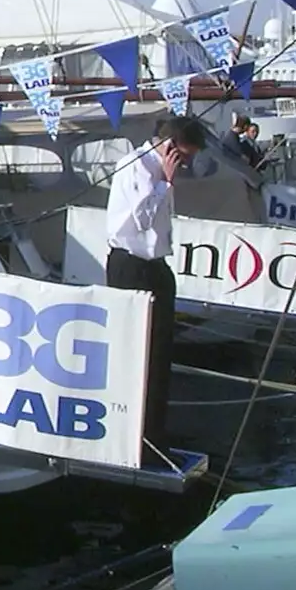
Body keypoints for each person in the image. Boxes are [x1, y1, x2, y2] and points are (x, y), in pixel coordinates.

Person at [105, 113, 206, 465]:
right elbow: (141, 219)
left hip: (155, 266)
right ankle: (134, 434)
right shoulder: (135, 166)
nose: (187, 163)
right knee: (136, 353)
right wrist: (165, 180)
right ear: (169, 146)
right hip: (131, 266)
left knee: (161, 353)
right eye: (185, 155)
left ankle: (155, 433)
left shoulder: (158, 171)